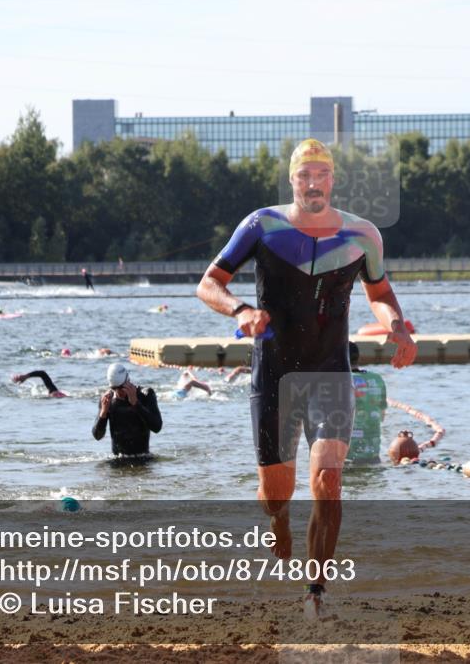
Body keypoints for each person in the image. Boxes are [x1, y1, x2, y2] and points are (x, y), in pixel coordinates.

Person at [195, 138, 417, 619]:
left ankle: (315, 590)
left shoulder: (363, 236)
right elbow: (208, 282)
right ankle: (279, 521)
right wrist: (240, 310)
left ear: (332, 179)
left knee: (328, 479)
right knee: (277, 494)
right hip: (273, 371)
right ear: (292, 180)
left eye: (321, 174)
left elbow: (380, 291)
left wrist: (396, 325)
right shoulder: (262, 225)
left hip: (329, 371)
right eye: (304, 175)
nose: (313, 183)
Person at [93, 363, 163, 456]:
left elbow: (157, 427)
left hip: (143, 458)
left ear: (128, 380)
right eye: (115, 388)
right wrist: (103, 413)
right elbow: (97, 436)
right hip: (118, 461)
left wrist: (136, 404)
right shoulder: (107, 400)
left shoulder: (145, 395)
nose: (119, 392)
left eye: (122, 388)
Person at [345, 342, 387, 464]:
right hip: (373, 454)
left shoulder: (338, 380)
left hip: (346, 458)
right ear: (358, 357)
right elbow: (382, 416)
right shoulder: (377, 379)